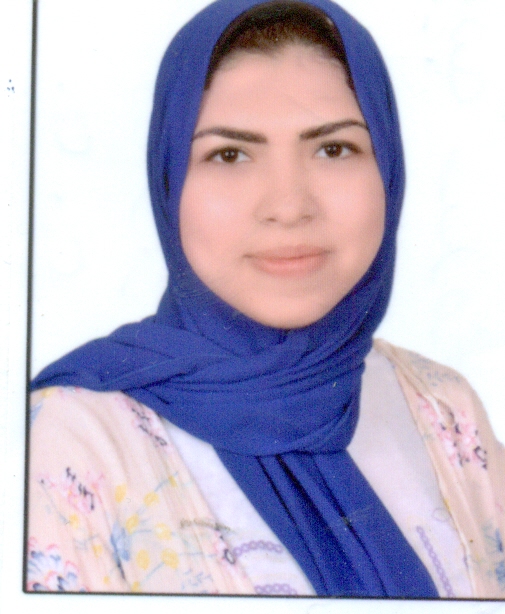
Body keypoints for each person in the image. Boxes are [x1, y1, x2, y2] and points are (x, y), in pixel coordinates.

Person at [26, 0, 505, 598]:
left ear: (388, 167)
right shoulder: (67, 443)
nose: (288, 205)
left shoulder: (443, 408)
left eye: (333, 149)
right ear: (169, 178)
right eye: (230, 154)